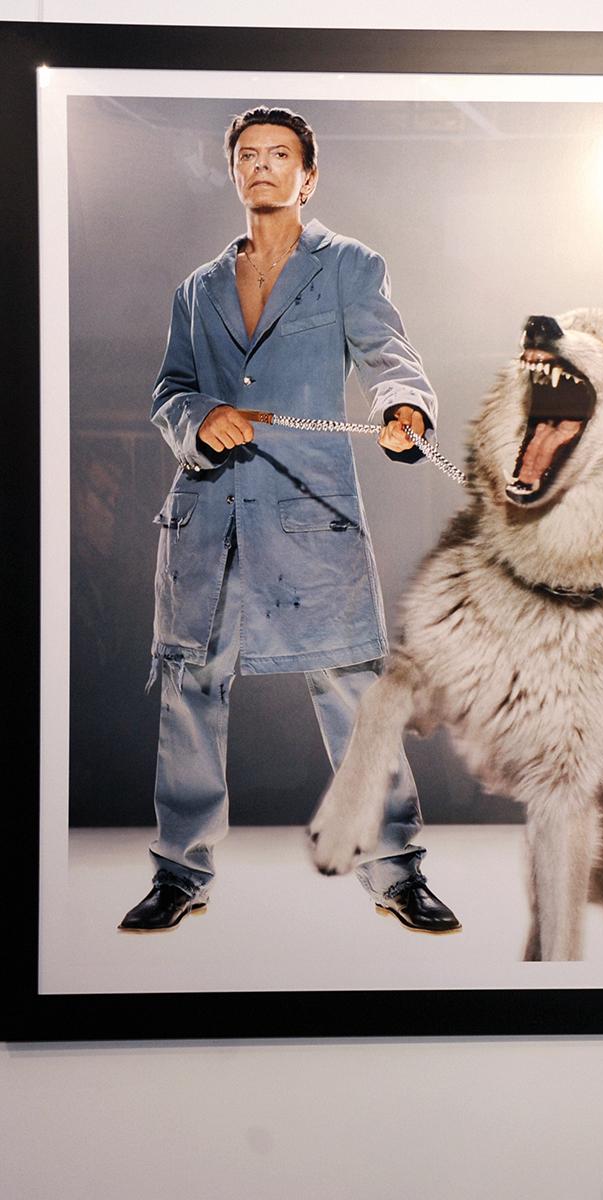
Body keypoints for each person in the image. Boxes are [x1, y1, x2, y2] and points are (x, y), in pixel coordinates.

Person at [120, 106, 459, 934]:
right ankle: (180, 872)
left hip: (311, 519)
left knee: (354, 693)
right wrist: (198, 421)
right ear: (233, 172)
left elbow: (390, 359)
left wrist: (404, 408)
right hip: (208, 519)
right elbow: (169, 389)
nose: (262, 166)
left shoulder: (348, 267)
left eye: (280, 155)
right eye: (248, 155)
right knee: (191, 690)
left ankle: (394, 869)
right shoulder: (196, 289)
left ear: (309, 177)